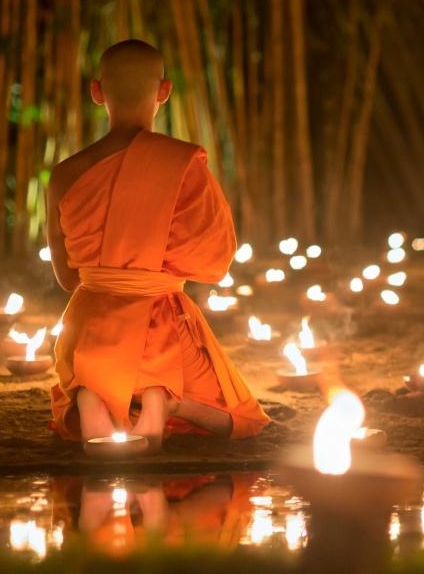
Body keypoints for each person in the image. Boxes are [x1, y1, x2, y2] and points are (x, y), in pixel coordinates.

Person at [47, 39, 269, 452]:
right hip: (162, 329)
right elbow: (213, 263)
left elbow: (65, 278)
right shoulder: (182, 164)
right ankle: (167, 398)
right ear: (164, 91)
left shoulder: (64, 175)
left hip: (90, 330)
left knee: (82, 384)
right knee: (241, 419)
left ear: (97, 92)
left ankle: (93, 392)